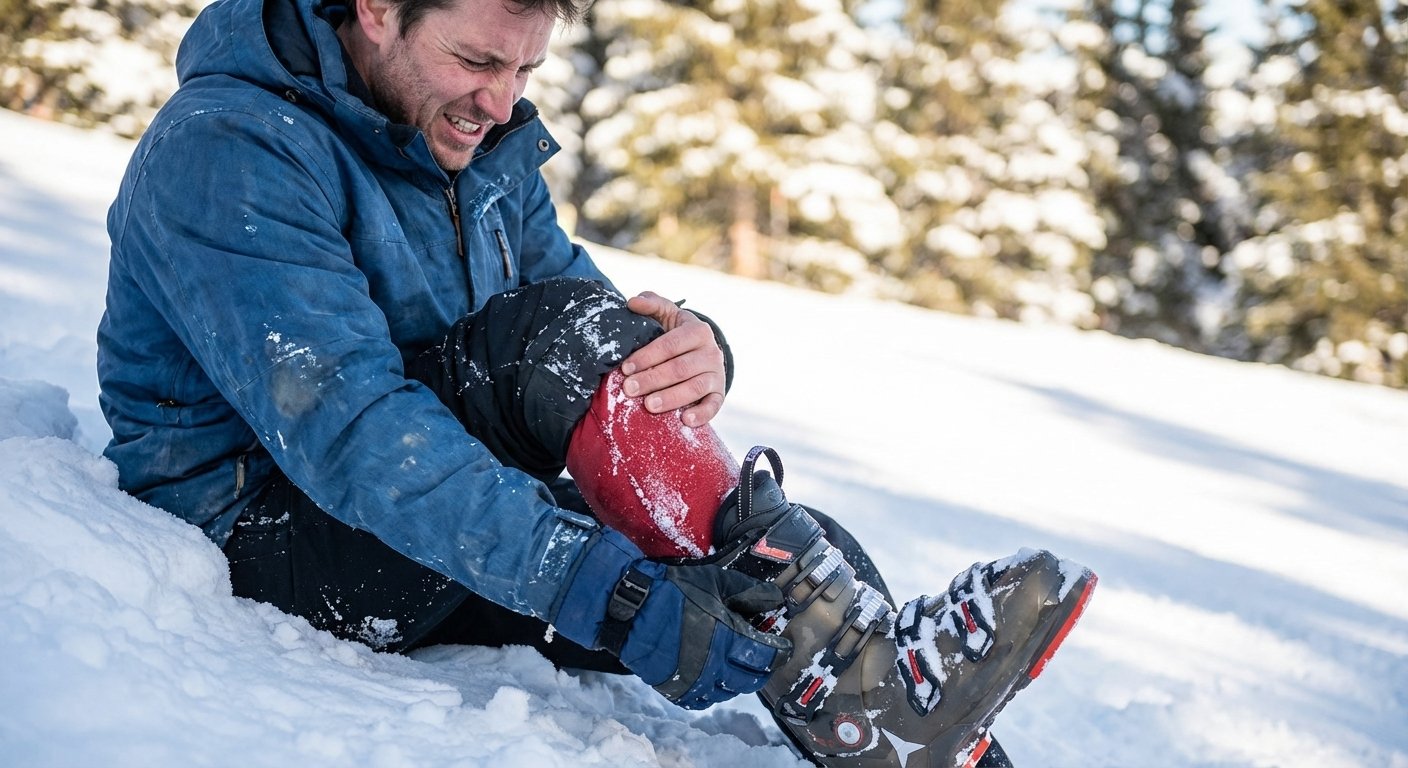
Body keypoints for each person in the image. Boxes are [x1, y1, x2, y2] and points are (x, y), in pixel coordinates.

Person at [97, 0, 1096, 764]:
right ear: (374, 10)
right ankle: (872, 699)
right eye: (477, 61)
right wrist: (603, 593)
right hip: (262, 537)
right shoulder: (231, 148)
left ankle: (904, 732)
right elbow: (349, 428)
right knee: (565, 359)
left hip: (426, 519)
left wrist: (693, 350)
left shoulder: (471, 144)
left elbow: (601, 349)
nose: (501, 103)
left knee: (772, 555)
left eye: (525, 68)